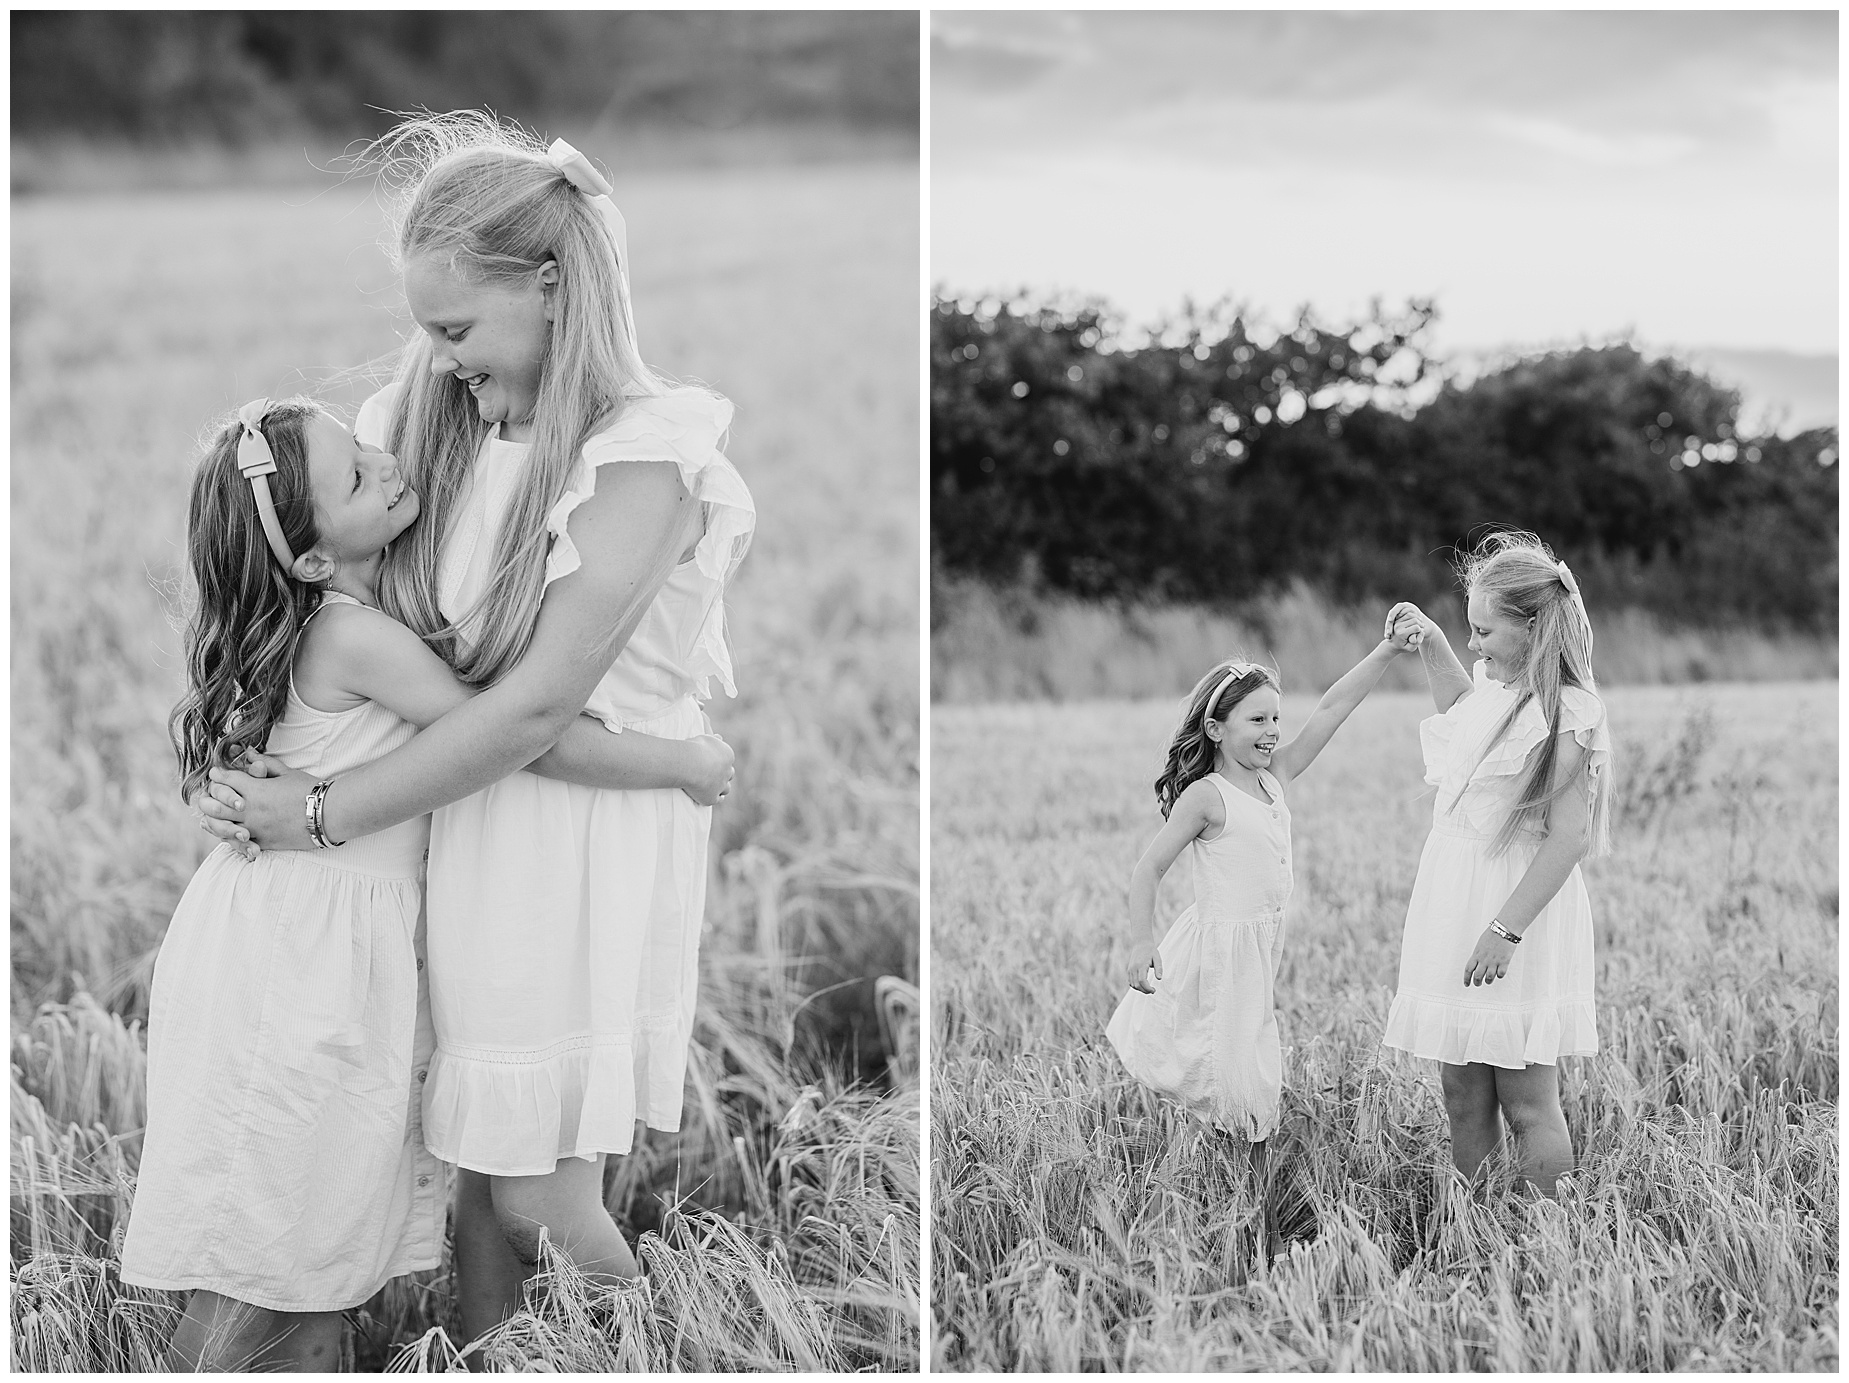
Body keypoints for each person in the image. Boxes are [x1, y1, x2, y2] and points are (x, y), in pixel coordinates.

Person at [198, 112, 755, 1337]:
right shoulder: (434, 415)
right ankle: (499, 1359)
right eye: (426, 331)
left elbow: (539, 709)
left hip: (574, 829)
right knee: (477, 1175)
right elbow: (307, 575)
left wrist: (318, 813)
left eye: (454, 327)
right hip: (455, 822)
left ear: (552, 285)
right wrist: (242, 759)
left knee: (540, 1192)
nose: (437, 358)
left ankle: (670, 1354)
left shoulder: (644, 455)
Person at [125, 399, 731, 1370]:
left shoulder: (317, 625)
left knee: (299, 1239)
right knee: (266, 1243)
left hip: (281, 940)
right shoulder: (353, 639)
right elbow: (515, 734)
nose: (387, 460)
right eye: (356, 475)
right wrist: (683, 762)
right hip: (300, 965)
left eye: (363, 445)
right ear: (311, 559)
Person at [1106, 629, 1415, 1249]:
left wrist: (1385, 651)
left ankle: (1242, 1214)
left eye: (1276, 717)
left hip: (1259, 956)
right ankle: (1242, 1223)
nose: (1273, 731)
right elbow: (1148, 870)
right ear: (1216, 728)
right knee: (1239, 1093)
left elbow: (1332, 708)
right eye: (1257, 719)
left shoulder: (1274, 779)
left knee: (1252, 1090)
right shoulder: (1207, 797)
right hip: (1221, 958)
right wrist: (1141, 943)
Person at [1382, 530, 1612, 1198]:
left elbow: (1568, 838)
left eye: (1483, 631)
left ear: (1531, 627)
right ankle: (1478, 1231)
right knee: (1461, 1091)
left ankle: (1548, 1236)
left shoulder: (1568, 711)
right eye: (1468, 629)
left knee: (1524, 1097)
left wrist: (1504, 929)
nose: (1473, 643)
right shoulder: (1492, 688)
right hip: (1453, 903)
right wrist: (1431, 642)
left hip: (1515, 911)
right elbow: (1464, 716)